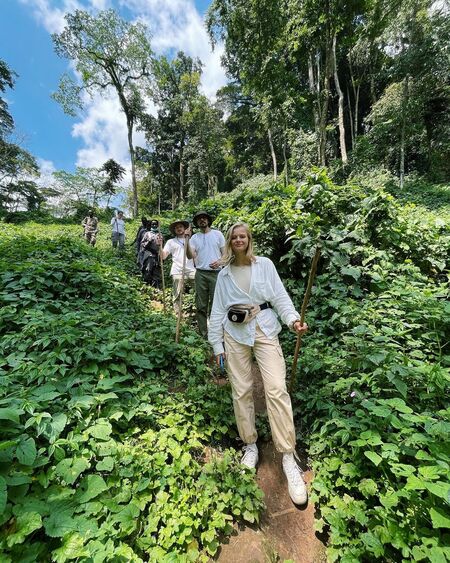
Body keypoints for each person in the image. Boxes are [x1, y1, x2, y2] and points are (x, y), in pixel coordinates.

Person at [208, 222, 309, 505]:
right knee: (241, 390)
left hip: (265, 330)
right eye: (234, 237)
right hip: (235, 334)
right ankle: (249, 444)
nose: (238, 240)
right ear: (229, 242)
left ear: (249, 239)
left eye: (243, 236)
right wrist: (217, 345)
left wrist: (292, 320)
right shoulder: (224, 275)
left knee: (276, 389)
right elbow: (217, 311)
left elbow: (279, 296)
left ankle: (288, 456)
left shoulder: (264, 265)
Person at [186, 211, 225, 338]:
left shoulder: (217, 234)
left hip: (216, 274)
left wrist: (219, 262)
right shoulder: (194, 238)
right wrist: (186, 240)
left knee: (216, 304)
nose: (202, 220)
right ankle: (203, 334)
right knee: (201, 305)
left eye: (204, 218)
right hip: (201, 273)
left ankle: (216, 333)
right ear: (197, 223)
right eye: (199, 219)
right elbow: (190, 255)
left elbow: (226, 254)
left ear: (208, 220)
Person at [162, 220, 196, 313]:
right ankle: (178, 313)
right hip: (177, 270)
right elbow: (163, 256)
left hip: (191, 269)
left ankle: (199, 310)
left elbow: (195, 255)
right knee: (177, 293)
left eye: (180, 226)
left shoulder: (192, 239)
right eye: (176, 227)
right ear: (174, 230)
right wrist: (159, 246)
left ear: (185, 228)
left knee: (200, 290)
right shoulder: (171, 242)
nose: (179, 228)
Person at [140, 219, 163, 287]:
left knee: (157, 271)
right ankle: (147, 285)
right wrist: (148, 241)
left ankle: (156, 286)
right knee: (148, 270)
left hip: (158, 255)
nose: (154, 225)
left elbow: (163, 246)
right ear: (150, 225)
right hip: (149, 255)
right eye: (153, 224)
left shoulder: (160, 234)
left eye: (155, 224)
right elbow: (142, 244)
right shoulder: (147, 234)